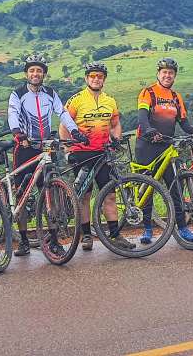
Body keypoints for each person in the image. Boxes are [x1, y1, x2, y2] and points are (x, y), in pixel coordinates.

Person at [7, 53, 87, 257]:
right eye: (32, 70)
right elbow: (12, 114)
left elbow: (62, 113)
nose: (35, 74)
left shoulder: (50, 93)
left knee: (52, 191)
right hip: (24, 147)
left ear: (44, 74)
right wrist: (17, 133)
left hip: (46, 147)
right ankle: (24, 240)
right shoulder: (17, 93)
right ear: (26, 73)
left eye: (39, 71)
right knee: (22, 194)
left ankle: (53, 239)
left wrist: (75, 131)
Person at [60, 62, 134, 251]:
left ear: (104, 79)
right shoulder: (76, 100)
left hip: (103, 154)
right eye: (92, 76)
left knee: (109, 195)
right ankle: (86, 235)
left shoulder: (110, 100)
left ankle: (115, 235)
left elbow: (116, 124)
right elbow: (64, 125)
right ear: (86, 78)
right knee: (85, 197)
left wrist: (116, 139)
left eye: (99, 76)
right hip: (81, 154)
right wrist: (68, 151)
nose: (96, 79)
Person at [135, 58, 193, 244]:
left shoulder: (175, 97)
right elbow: (142, 117)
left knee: (175, 188)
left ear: (174, 76)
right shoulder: (148, 92)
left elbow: (184, 123)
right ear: (158, 73)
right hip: (146, 146)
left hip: (166, 147)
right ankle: (147, 229)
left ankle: (183, 228)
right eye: (164, 72)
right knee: (146, 190)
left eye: (171, 72)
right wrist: (149, 130)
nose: (167, 75)